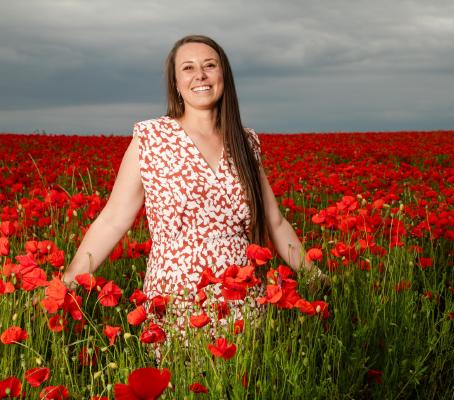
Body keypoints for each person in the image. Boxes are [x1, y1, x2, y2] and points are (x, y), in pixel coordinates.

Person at [61, 34, 329, 356]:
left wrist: (313, 275)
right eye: (188, 68)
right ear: (176, 83)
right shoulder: (152, 138)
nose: (200, 75)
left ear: (223, 76)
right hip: (175, 302)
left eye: (209, 65)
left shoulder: (245, 143)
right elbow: (114, 219)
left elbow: (275, 221)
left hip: (241, 304)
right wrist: (69, 281)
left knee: (239, 378)